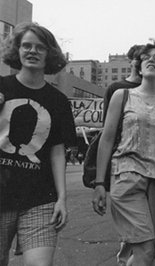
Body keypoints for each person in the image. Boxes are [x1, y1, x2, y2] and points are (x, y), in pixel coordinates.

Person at [92, 40, 155, 266]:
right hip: (127, 176)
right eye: (146, 57)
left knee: (147, 248)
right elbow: (106, 140)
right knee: (146, 248)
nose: (151, 60)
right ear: (139, 66)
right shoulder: (122, 96)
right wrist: (99, 183)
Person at [0, 22, 76, 266]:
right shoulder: (2, 87)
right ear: (17, 50)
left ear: (49, 53)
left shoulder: (58, 101)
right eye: (26, 46)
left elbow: (57, 152)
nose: (32, 51)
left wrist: (62, 198)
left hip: (40, 199)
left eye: (39, 47)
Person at [102, 44, 143, 121]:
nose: (141, 62)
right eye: (138, 59)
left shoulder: (152, 89)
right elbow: (107, 122)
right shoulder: (114, 89)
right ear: (130, 61)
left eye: (144, 59)